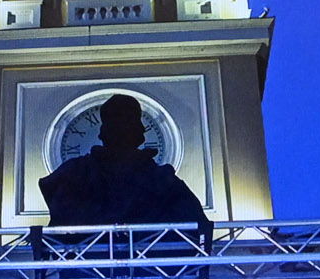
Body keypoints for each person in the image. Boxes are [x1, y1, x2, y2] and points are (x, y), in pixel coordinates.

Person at [38, 92, 208, 228]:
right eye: (135, 122)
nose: (142, 128)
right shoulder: (162, 179)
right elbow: (196, 224)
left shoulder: (75, 172)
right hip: (131, 257)